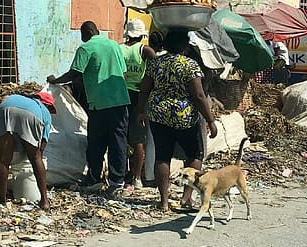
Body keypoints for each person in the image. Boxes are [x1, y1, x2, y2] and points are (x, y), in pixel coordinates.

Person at [137, 30, 217, 212]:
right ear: (185, 46)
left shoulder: (155, 63)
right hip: (184, 117)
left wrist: (141, 111)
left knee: (162, 156)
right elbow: (198, 95)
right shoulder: (189, 65)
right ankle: (186, 199)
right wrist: (210, 120)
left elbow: (144, 89)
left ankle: (164, 202)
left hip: (158, 115)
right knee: (194, 155)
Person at [48, 21, 129, 193]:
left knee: (96, 143)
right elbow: (123, 72)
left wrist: (56, 81)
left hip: (99, 103)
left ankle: (93, 178)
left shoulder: (86, 48)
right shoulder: (114, 45)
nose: (82, 38)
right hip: (120, 101)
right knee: (118, 142)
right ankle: (117, 181)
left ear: (88, 32)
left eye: (82, 34)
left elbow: (75, 73)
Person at [0, 91, 56, 210]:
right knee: (36, 157)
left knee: (3, 160)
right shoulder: (44, 111)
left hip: (6, 110)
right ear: (47, 104)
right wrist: (32, 154)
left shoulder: (13, 97)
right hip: (31, 115)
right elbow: (42, 146)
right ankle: (44, 201)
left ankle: (2, 200)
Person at [118, 19, 156, 189]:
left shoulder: (119, 48)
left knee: (122, 137)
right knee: (138, 139)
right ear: (142, 35)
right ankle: (137, 177)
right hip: (138, 97)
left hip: (119, 95)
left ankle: (123, 174)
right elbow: (157, 68)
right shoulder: (145, 50)